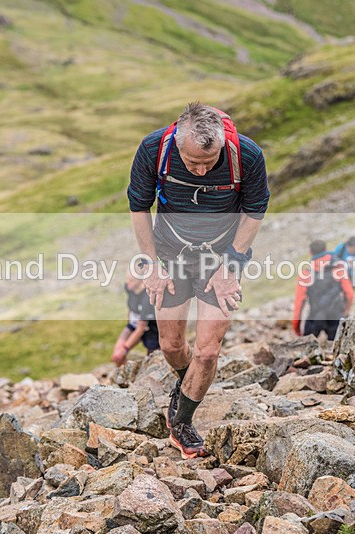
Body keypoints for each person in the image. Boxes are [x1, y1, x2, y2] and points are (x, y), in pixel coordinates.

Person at [128, 102, 269, 459]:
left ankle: (182, 421)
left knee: (207, 351)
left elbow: (255, 211)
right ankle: (186, 384)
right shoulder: (153, 149)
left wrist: (232, 265)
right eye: (193, 164)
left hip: (220, 257)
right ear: (177, 142)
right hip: (170, 253)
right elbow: (139, 208)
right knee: (171, 345)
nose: (203, 171)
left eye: (210, 161)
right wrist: (151, 265)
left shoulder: (247, 155)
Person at [292, 239, 354, 340]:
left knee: (306, 351)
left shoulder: (306, 272)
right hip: (335, 315)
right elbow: (350, 294)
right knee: (339, 351)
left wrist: (296, 325)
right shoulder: (338, 268)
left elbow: (299, 301)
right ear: (325, 250)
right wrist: (346, 311)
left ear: (310, 252)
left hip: (315, 315)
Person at [112, 269, 160, 366]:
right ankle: (120, 374)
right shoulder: (129, 288)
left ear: (141, 281)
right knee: (117, 353)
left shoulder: (147, 299)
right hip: (133, 324)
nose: (127, 283)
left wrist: (125, 348)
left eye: (131, 280)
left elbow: (141, 328)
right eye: (127, 279)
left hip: (151, 330)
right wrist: (121, 348)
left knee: (152, 359)